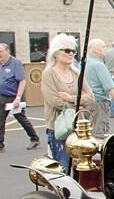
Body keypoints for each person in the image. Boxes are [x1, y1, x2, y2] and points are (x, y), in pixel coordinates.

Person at [41, 35, 95, 170]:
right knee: (62, 166)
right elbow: (53, 101)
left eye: (73, 51)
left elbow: (91, 97)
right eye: (66, 50)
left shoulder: (77, 73)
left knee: (80, 167)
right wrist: (79, 103)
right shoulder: (49, 74)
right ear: (55, 53)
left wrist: (70, 98)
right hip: (59, 129)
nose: (71, 53)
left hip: (78, 128)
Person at [0, 43, 41, 153]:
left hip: (13, 97)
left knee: (21, 119)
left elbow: (22, 81)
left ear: (7, 51)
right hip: (2, 97)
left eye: (0, 51)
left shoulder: (15, 63)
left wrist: (18, 98)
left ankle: (34, 138)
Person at [84, 39, 114, 139]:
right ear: (94, 49)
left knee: (87, 133)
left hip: (85, 102)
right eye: (103, 46)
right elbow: (110, 88)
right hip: (99, 103)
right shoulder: (99, 65)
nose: (105, 49)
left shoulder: (83, 63)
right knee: (99, 134)